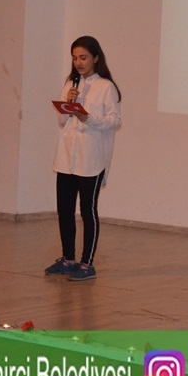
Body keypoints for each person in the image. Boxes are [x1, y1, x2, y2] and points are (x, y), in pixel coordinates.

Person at [44, 35, 122, 281]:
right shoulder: (70, 84)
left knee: (88, 211)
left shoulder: (106, 87)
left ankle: (87, 263)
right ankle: (68, 258)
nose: (78, 62)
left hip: (92, 159)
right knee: (64, 210)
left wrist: (87, 117)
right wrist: (69, 105)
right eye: (75, 58)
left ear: (96, 58)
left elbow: (115, 121)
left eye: (84, 57)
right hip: (67, 157)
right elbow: (61, 121)